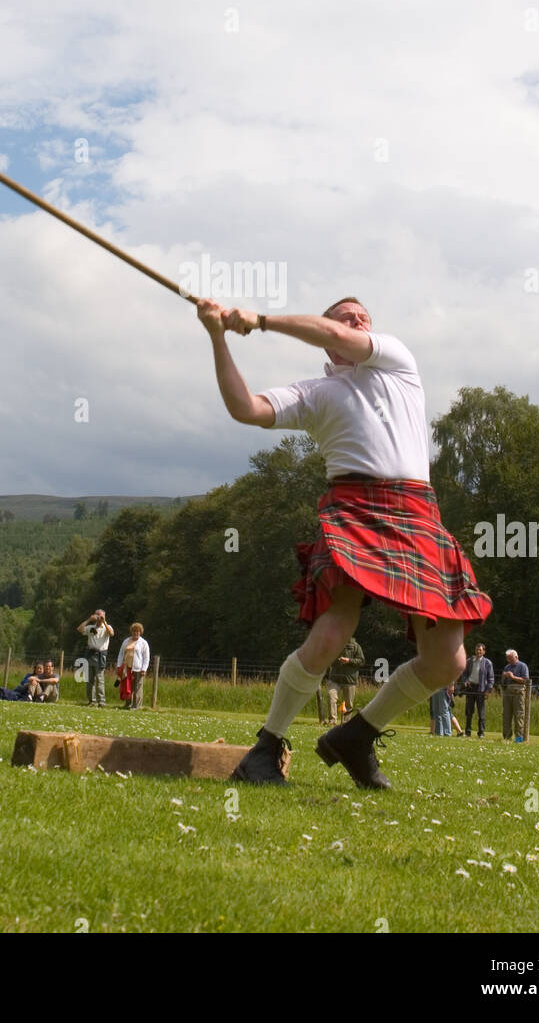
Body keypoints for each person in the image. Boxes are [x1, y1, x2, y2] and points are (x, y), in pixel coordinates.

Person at [196, 295, 492, 790]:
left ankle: (356, 736)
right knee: (333, 633)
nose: (357, 323)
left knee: (449, 660)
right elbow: (245, 409)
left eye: (364, 318)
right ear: (326, 338)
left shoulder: (397, 362)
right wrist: (218, 336)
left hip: (417, 511)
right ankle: (265, 749)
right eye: (346, 317)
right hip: (352, 508)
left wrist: (262, 320)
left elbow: (336, 337)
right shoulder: (316, 393)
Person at [77, 609, 114, 707]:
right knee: (89, 680)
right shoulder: (90, 627)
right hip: (90, 654)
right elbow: (79, 629)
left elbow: (111, 634)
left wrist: (104, 621)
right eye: (98, 616)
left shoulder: (107, 627)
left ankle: (101, 702)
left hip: (101, 655)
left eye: (101, 616)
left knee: (99, 680)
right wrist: (89, 619)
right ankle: (92, 701)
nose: (100, 618)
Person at [325, 637, 365, 724]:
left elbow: (361, 661)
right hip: (335, 679)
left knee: (348, 704)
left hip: (349, 680)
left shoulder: (356, 646)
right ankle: (332, 721)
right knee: (331, 697)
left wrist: (349, 660)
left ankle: (345, 723)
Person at [461, 642, 495, 738]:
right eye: (477, 649)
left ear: (484, 652)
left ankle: (481, 733)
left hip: (481, 689)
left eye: (480, 650)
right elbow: (464, 674)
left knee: (481, 712)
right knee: (469, 711)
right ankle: (467, 732)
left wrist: (488, 690)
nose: (478, 651)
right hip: (470, 688)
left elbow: (491, 678)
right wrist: (465, 681)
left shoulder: (488, 663)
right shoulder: (469, 661)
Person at [116, 624, 150, 710]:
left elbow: (146, 657)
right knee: (128, 686)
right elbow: (121, 654)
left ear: (140, 632)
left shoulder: (143, 643)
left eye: (137, 631)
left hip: (138, 668)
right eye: (134, 631)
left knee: (137, 687)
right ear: (131, 631)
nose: (136, 633)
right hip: (127, 667)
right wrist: (119, 665)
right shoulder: (126, 641)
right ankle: (128, 704)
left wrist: (144, 669)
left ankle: (136, 705)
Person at [501, 649, 529, 742]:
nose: (509, 660)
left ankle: (519, 738)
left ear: (516, 657)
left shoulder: (523, 666)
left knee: (519, 714)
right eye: (507, 658)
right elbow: (503, 683)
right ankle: (507, 736)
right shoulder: (506, 667)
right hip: (508, 692)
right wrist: (504, 677)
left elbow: (525, 680)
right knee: (506, 715)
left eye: (510, 658)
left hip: (519, 692)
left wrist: (513, 677)